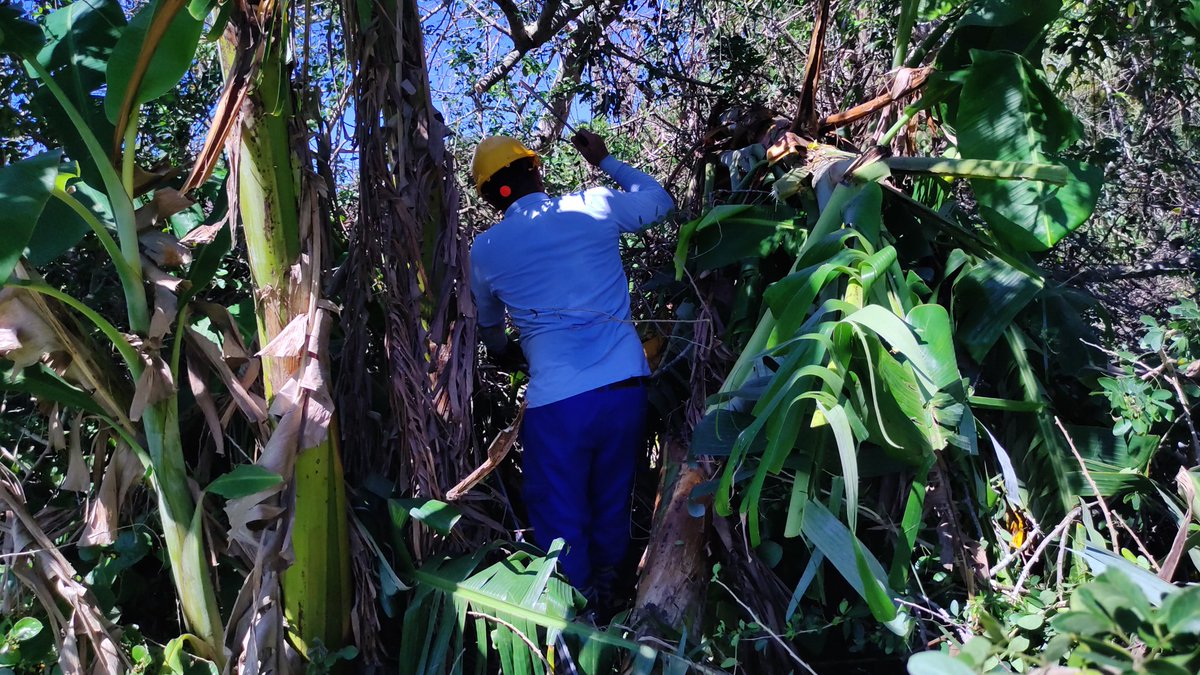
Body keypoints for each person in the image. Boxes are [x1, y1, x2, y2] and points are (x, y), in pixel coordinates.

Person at [468, 131, 674, 613]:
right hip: (625, 389)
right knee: (612, 495)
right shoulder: (594, 205)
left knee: (560, 508)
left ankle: (578, 615)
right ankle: (617, 593)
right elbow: (658, 202)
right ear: (537, 171)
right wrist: (607, 160)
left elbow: (490, 328)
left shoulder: (487, 250)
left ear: (490, 195)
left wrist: (507, 354)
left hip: (558, 403)